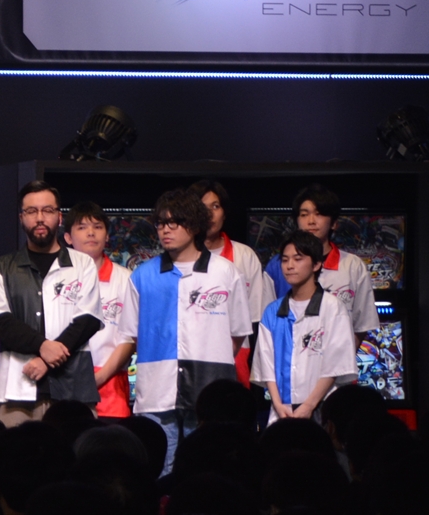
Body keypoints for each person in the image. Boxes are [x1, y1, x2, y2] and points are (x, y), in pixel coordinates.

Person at [130, 187, 252, 473]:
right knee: (161, 469)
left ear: (195, 225)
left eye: (174, 222)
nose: (165, 229)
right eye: (161, 223)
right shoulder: (142, 276)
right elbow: (133, 334)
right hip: (157, 389)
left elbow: (237, 333)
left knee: (210, 469)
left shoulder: (225, 272)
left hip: (210, 388)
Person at [0, 181, 103, 426]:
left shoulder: (82, 264)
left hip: (73, 388)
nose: (39, 218)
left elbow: (88, 319)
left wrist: (47, 358)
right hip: (16, 391)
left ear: (59, 217)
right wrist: (42, 345)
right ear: (21, 218)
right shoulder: (2, 267)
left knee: (78, 449)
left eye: (47, 210)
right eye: (31, 211)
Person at [261, 183, 375, 361]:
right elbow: (268, 324)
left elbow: (362, 324)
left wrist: (340, 361)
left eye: (319, 214)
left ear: (334, 223)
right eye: (304, 214)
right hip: (289, 366)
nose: (311, 221)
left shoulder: (352, 266)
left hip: (337, 368)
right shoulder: (277, 266)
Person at [254, 230, 357, 425]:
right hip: (282, 409)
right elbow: (266, 365)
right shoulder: (272, 312)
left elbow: (335, 364)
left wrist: (309, 405)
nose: (289, 266)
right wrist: (277, 403)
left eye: (298, 259)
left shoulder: (333, 308)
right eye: (285, 260)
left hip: (321, 407)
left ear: (316, 264)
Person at [188, 179, 274, 383]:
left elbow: (256, 317)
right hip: (188, 356)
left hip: (236, 356)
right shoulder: (180, 257)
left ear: (225, 213)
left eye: (215, 206)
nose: (209, 214)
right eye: (202, 207)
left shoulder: (244, 256)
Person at [64, 202, 137, 421]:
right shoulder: (55, 279)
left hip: (111, 388)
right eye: (82, 227)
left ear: (107, 236)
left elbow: (130, 337)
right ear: (68, 237)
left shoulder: (126, 279)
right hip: (64, 385)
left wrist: (99, 377)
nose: (90, 233)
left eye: (97, 227)